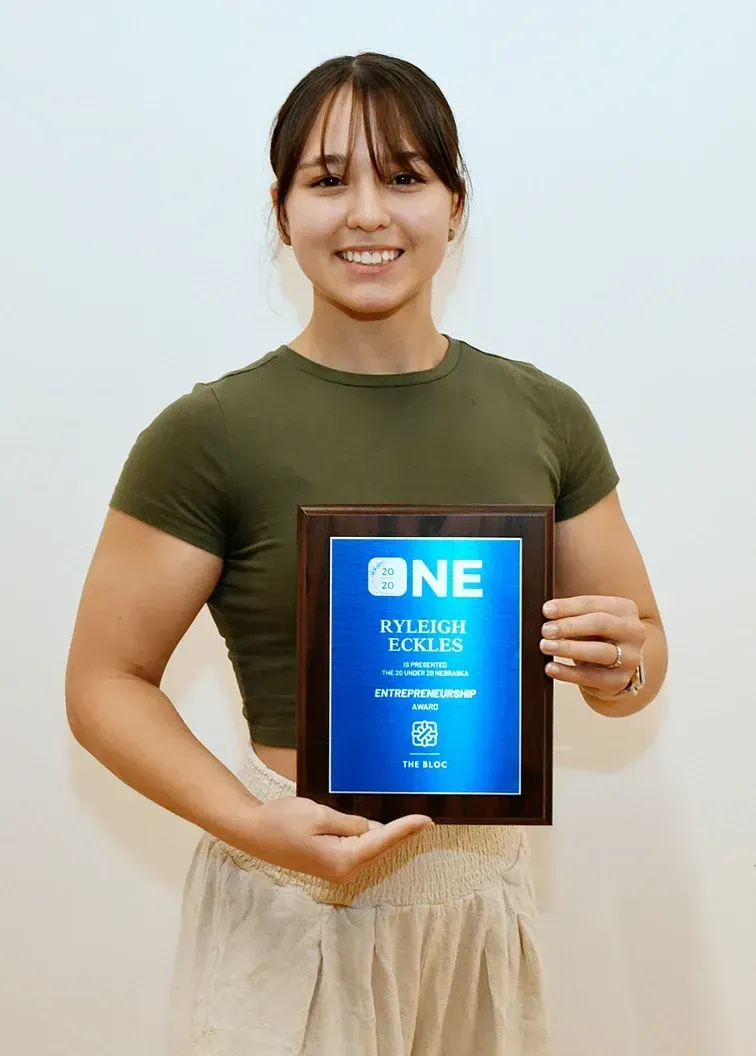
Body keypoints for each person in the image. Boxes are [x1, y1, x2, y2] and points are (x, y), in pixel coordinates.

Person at [65, 51, 668, 1056]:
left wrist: (622, 665)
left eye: (404, 176)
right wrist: (254, 826)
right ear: (281, 208)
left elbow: (638, 660)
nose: (367, 215)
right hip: (288, 897)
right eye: (328, 179)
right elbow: (103, 683)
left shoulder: (545, 416)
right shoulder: (209, 432)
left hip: (479, 898)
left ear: (455, 204)